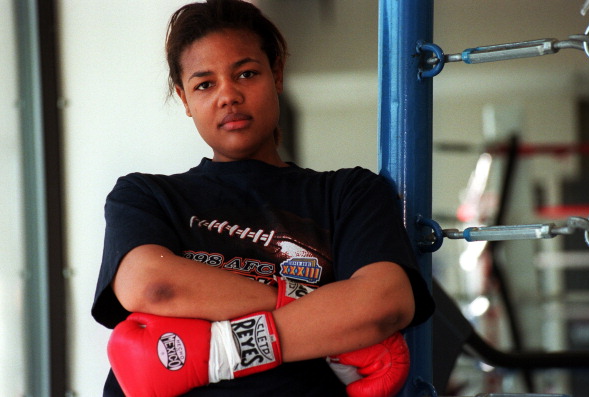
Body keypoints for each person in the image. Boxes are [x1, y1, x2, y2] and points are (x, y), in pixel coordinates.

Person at [92, 0, 434, 396]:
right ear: (184, 99)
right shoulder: (146, 195)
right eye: (205, 84)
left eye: (246, 73)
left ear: (277, 73)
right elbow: (153, 285)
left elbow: (384, 304)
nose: (228, 96)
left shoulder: (349, 193)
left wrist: (218, 351)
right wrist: (325, 313)